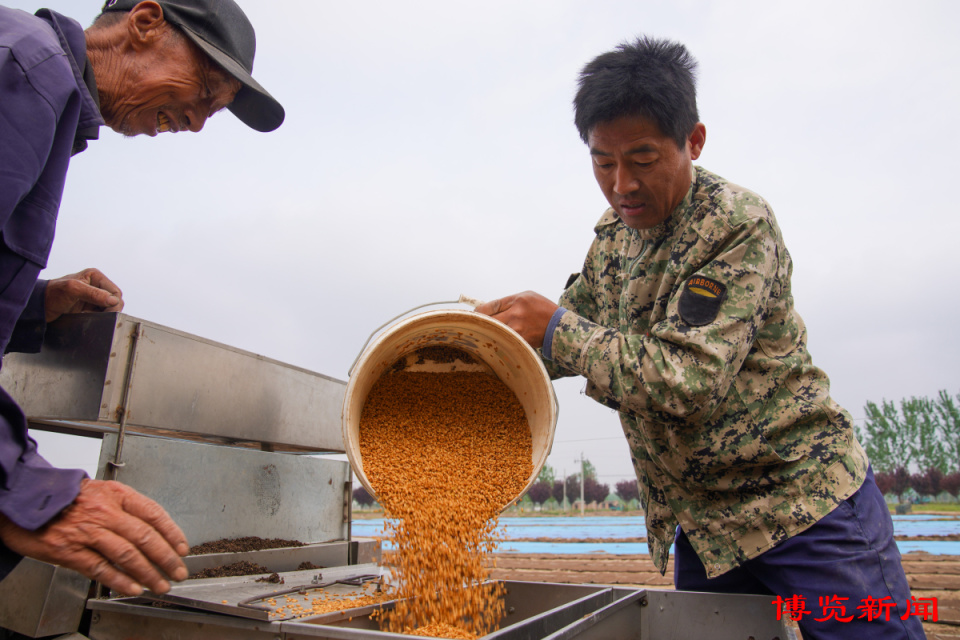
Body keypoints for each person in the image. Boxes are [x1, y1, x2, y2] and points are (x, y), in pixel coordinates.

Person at [477, 37, 924, 639]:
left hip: (802, 506)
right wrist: (478, 348)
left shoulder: (736, 224)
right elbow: (564, 341)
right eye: (603, 162)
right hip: (708, 526)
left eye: (641, 158)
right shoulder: (614, 237)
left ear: (694, 140)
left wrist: (555, 325)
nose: (622, 185)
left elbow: (689, 379)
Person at [0, 0, 284, 599]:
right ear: (146, 22)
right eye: (205, 91)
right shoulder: (27, 68)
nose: (199, 123)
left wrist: (33, 303)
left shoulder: (46, 99)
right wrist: (23, 488)